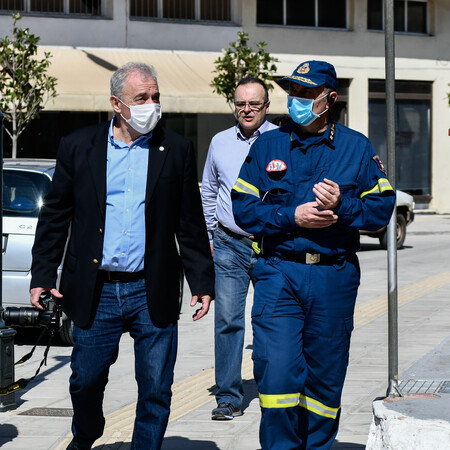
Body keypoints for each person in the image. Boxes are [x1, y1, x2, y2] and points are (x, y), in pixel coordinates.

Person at [30, 62, 215, 450]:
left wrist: (202, 283)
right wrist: (43, 274)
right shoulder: (79, 146)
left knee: (156, 387)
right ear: (117, 103)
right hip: (96, 290)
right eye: (141, 98)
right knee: (85, 379)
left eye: (156, 97)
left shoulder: (176, 149)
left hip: (152, 288)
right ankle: (85, 434)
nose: (152, 105)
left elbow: (190, 223)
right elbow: (56, 216)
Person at [231, 60, 395, 449]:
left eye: (307, 93)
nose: (297, 100)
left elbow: (381, 210)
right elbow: (242, 208)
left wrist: (344, 206)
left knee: (325, 377)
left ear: (330, 99)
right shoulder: (268, 145)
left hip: (333, 277)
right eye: (293, 93)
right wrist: (292, 216)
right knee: (277, 374)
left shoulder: (357, 147)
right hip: (278, 274)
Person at [201, 77, 277, 420]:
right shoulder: (219, 142)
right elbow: (208, 191)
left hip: (272, 246)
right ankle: (228, 397)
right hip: (229, 243)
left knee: (271, 321)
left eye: (254, 104)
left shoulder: (281, 141)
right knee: (228, 320)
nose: (246, 109)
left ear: (266, 107)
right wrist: (209, 237)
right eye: (241, 103)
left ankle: (273, 388)